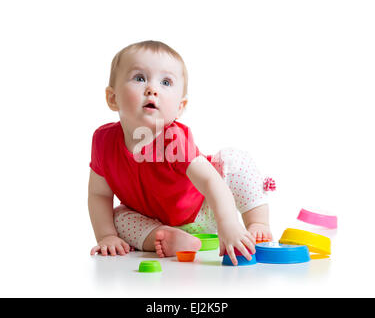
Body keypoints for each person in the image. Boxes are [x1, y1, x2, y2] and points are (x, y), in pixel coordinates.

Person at [88, 40, 274, 265]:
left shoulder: (173, 140)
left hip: (206, 208)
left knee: (233, 160)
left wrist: (228, 224)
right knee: (117, 218)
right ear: (112, 98)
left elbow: (211, 182)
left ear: (180, 107)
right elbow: (99, 195)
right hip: (154, 219)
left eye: (166, 82)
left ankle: (258, 222)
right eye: (139, 78)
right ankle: (167, 238)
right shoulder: (103, 141)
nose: (152, 89)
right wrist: (106, 236)